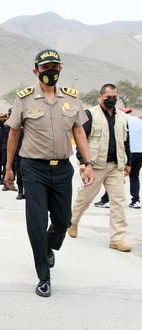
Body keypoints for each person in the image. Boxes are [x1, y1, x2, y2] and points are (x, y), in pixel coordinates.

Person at [4, 49, 94, 298]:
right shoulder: (23, 99)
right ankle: (44, 277)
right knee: (36, 223)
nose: (50, 72)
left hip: (63, 168)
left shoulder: (72, 99)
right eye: (45, 68)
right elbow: (13, 133)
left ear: (60, 69)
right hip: (33, 169)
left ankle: (49, 245)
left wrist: (87, 162)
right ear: (36, 70)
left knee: (64, 221)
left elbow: (79, 132)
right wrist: (9, 168)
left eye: (55, 67)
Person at [68, 84, 132, 252]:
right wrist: (83, 162)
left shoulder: (122, 118)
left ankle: (117, 238)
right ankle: (73, 222)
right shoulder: (90, 115)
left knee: (118, 201)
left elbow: (126, 142)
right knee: (85, 198)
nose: (111, 100)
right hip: (94, 166)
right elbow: (81, 139)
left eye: (114, 97)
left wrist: (128, 163)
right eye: (108, 97)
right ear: (100, 97)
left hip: (115, 166)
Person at [127, 113, 142, 209]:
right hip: (140, 152)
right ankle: (136, 200)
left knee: (117, 176)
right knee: (134, 176)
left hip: (129, 152)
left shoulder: (122, 120)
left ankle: (106, 200)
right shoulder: (139, 121)